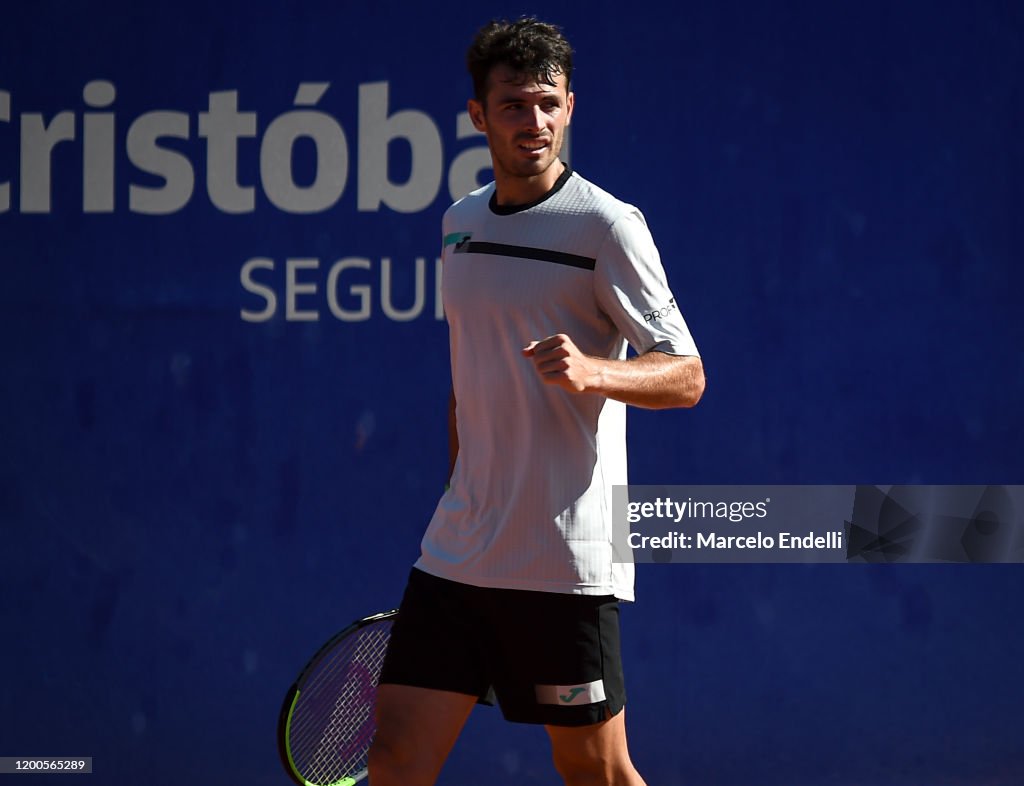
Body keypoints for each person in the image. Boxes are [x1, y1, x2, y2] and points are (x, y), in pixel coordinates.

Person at [368, 16, 704, 786]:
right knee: (392, 762)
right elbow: (468, 383)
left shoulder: (607, 225)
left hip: (561, 563)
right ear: (478, 116)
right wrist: (467, 493)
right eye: (515, 104)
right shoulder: (459, 226)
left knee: (597, 774)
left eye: (550, 103)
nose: (536, 121)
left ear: (571, 108)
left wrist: (595, 372)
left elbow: (686, 374)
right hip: (456, 553)